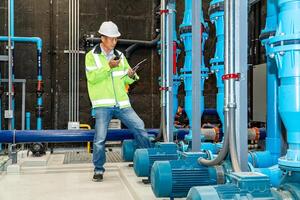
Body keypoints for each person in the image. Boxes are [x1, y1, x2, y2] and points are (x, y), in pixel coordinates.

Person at [85, 21, 151, 182]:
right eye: (111, 39)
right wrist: (108, 66)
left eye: (116, 39)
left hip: (122, 103)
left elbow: (127, 80)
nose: (114, 42)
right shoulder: (91, 56)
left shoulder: (120, 56)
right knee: (100, 138)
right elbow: (92, 78)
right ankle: (98, 169)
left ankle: (149, 166)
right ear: (102, 38)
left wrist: (131, 74)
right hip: (102, 104)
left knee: (140, 128)